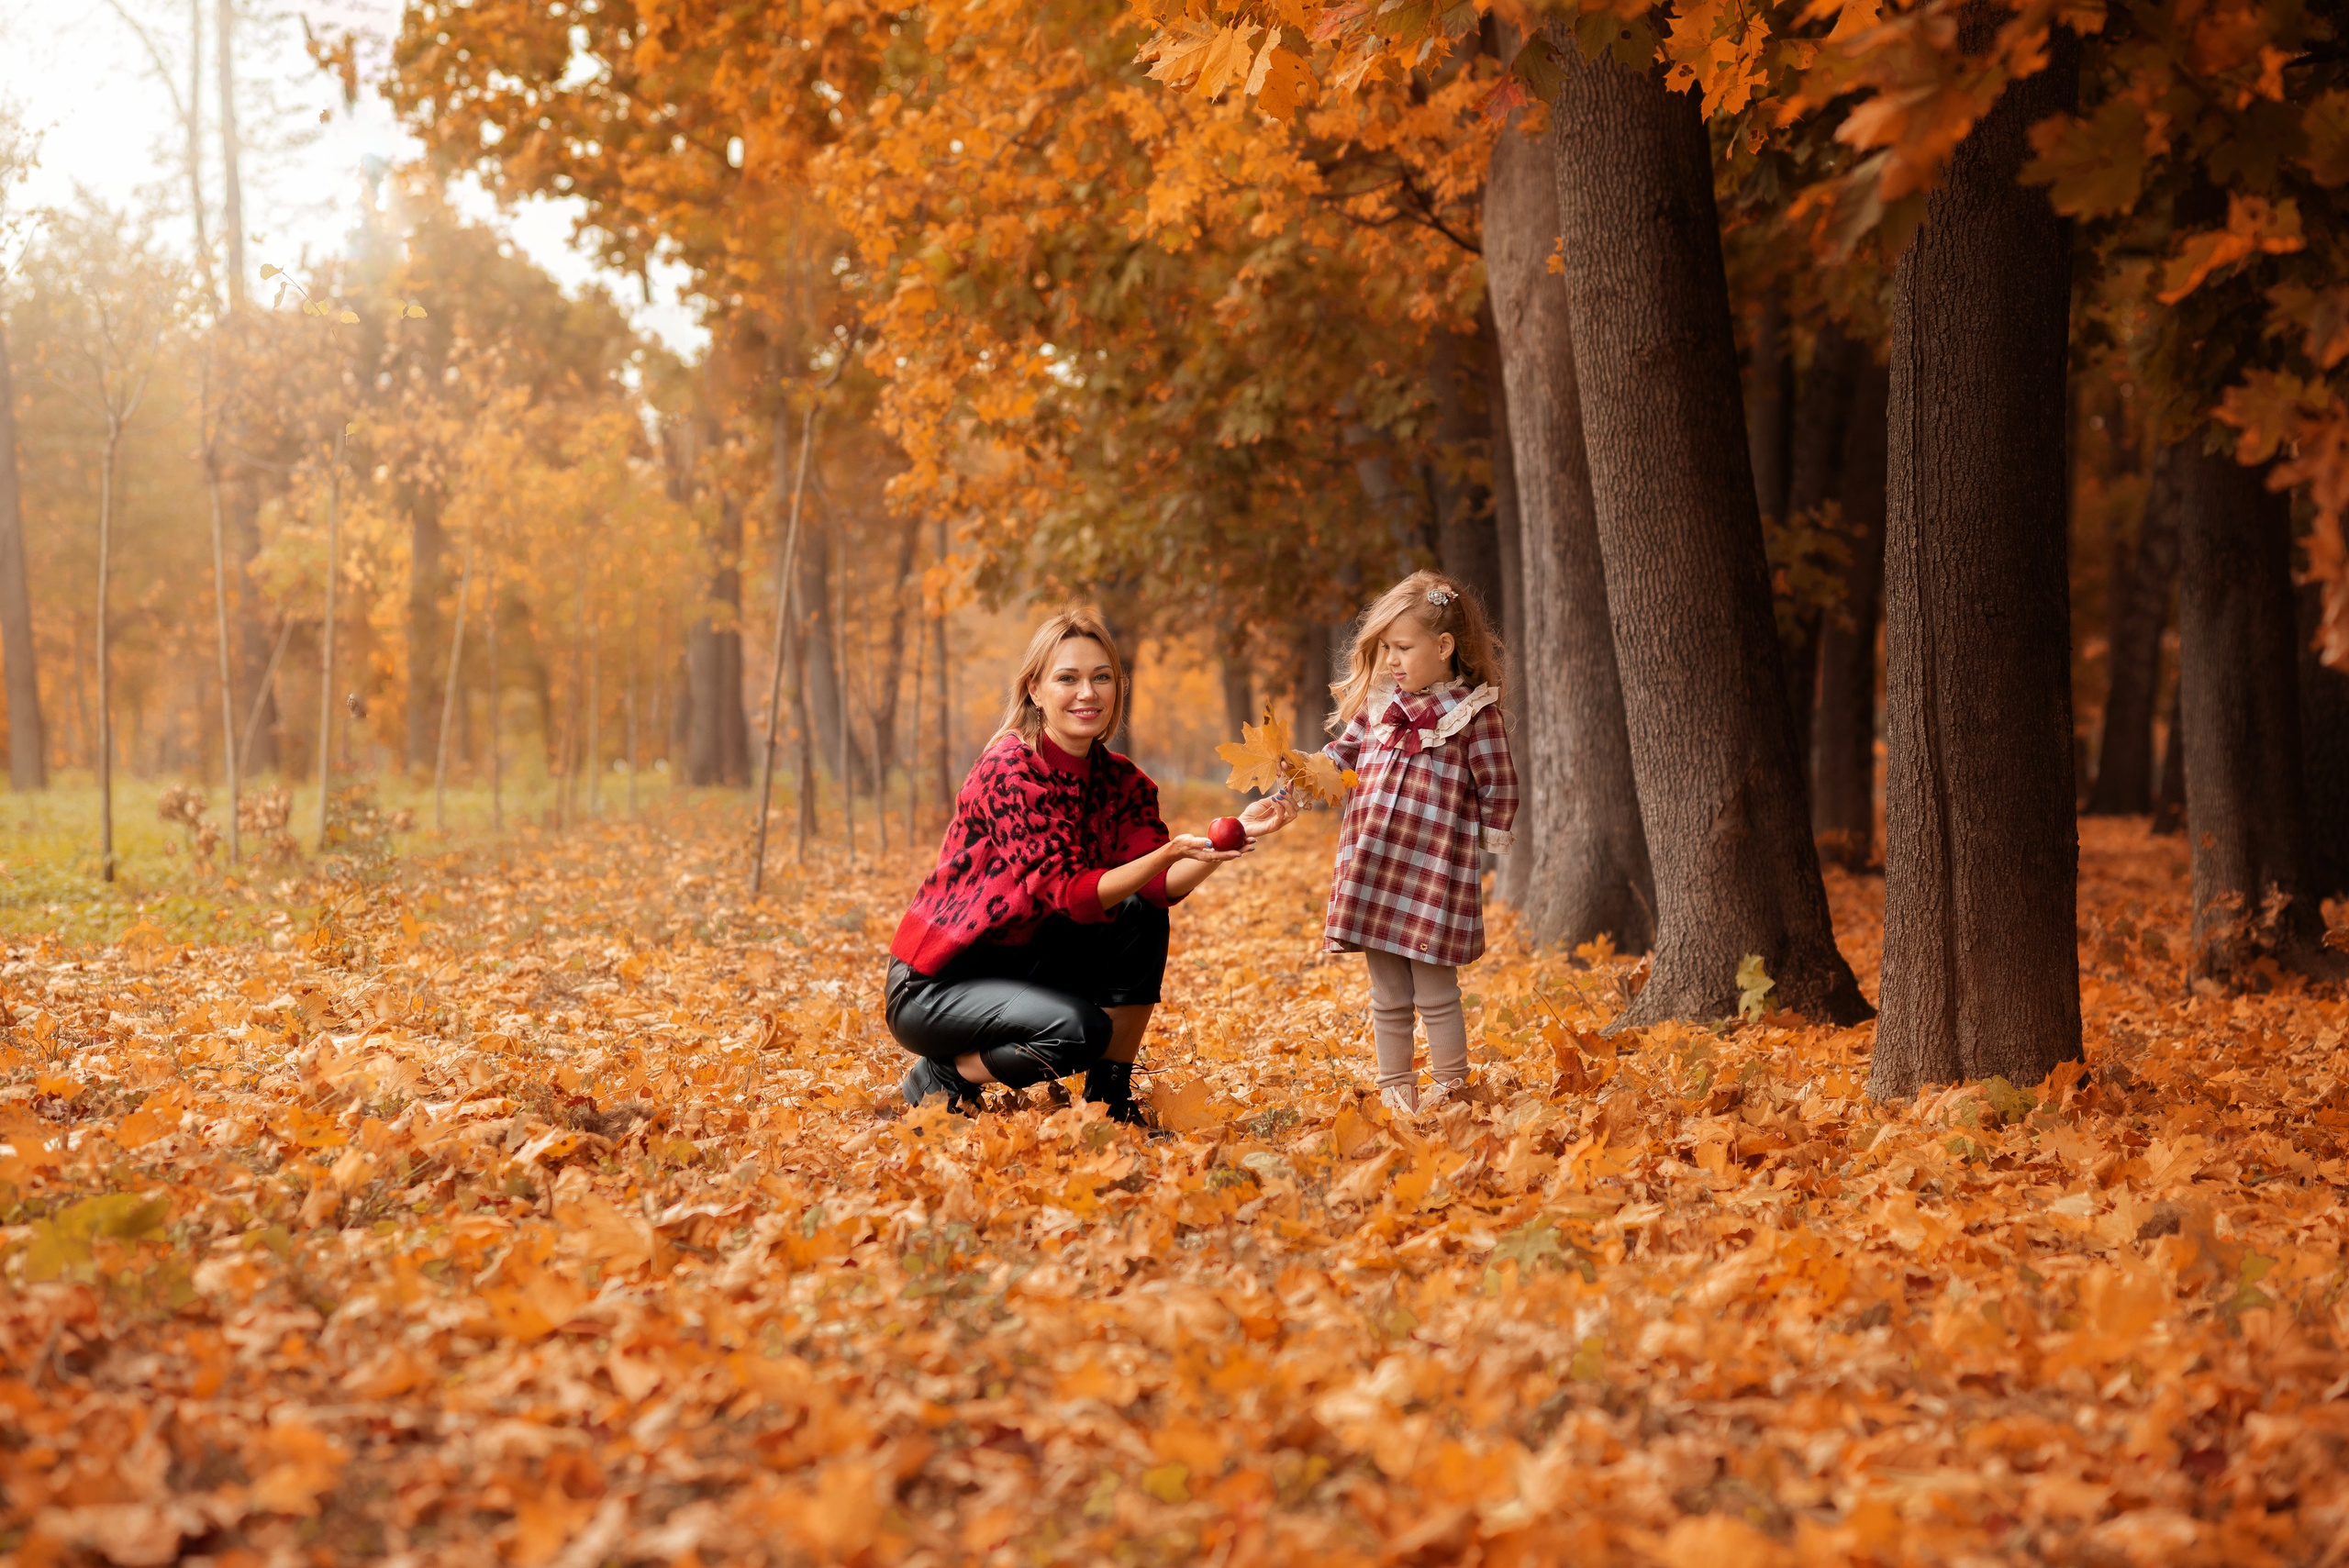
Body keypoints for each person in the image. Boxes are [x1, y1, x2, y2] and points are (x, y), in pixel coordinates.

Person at [885, 607, 1297, 1121]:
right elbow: (1071, 892)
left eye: (1101, 677)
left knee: (1141, 914)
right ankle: (945, 1074)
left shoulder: (1121, 780)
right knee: (1078, 1033)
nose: (1088, 693)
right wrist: (1165, 854)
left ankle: (1110, 1101)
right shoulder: (1010, 771)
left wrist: (1226, 841)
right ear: (1035, 689)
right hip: (940, 983)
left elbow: (1159, 887)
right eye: (1068, 678)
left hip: (1023, 964)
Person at [1318, 571, 1519, 1115]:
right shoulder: (1380, 707)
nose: (1391, 661)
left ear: (1444, 646)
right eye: (1385, 649)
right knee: (1387, 993)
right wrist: (1293, 786)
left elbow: (1497, 778)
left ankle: (1451, 1083)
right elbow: (1340, 758)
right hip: (1375, 864)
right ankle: (1396, 1089)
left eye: (1402, 648)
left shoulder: (1474, 714)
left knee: (1435, 989)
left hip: (1432, 872)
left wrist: (1495, 835)